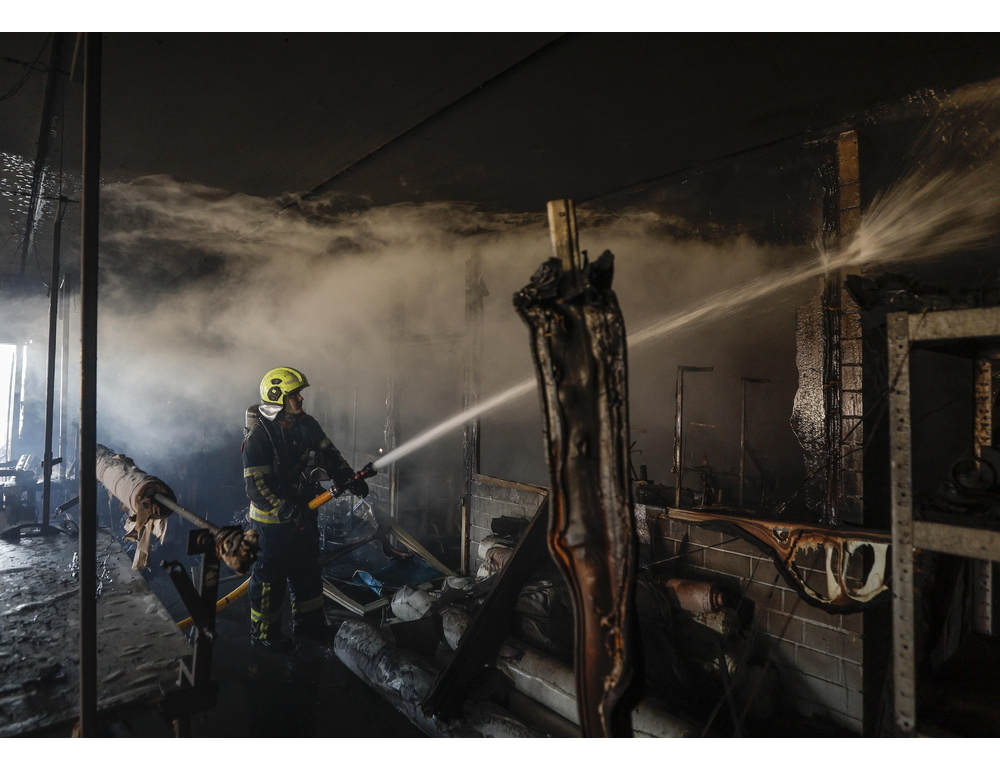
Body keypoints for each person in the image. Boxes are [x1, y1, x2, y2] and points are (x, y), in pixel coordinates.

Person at [243, 366, 369, 651]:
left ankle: (310, 626)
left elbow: (330, 453)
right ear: (277, 398)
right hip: (271, 524)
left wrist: (348, 477)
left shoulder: (307, 424)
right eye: (295, 394)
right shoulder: (260, 437)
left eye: (300, 394)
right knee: (269, 580)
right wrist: (287, 510)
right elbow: (256, 487)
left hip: (304, 515)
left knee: (308, 573)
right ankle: (265, 635)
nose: (301, 399)